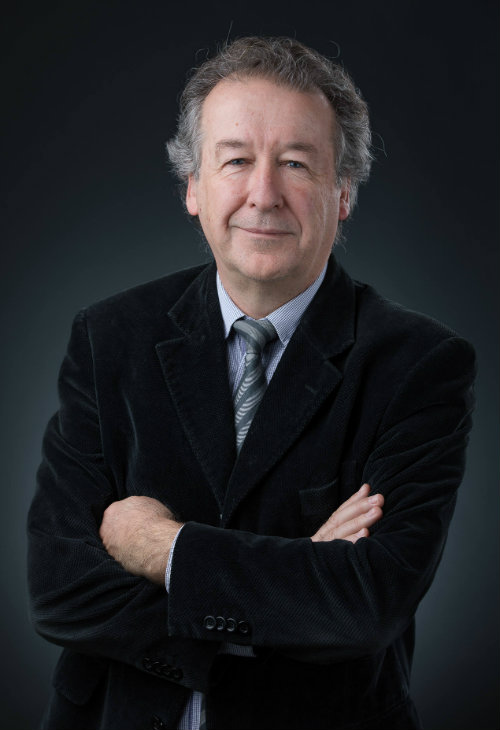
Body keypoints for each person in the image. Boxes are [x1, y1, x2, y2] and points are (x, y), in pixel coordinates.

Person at [27, 36, 476, 730]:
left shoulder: (420, 365)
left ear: (343, 192)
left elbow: (366, 606)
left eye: (295, 163)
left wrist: (162, 548)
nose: (263, 195)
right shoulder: (108, 337)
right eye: (236, 160)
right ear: (193, 187)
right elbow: (58, 589)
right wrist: (296, 584)